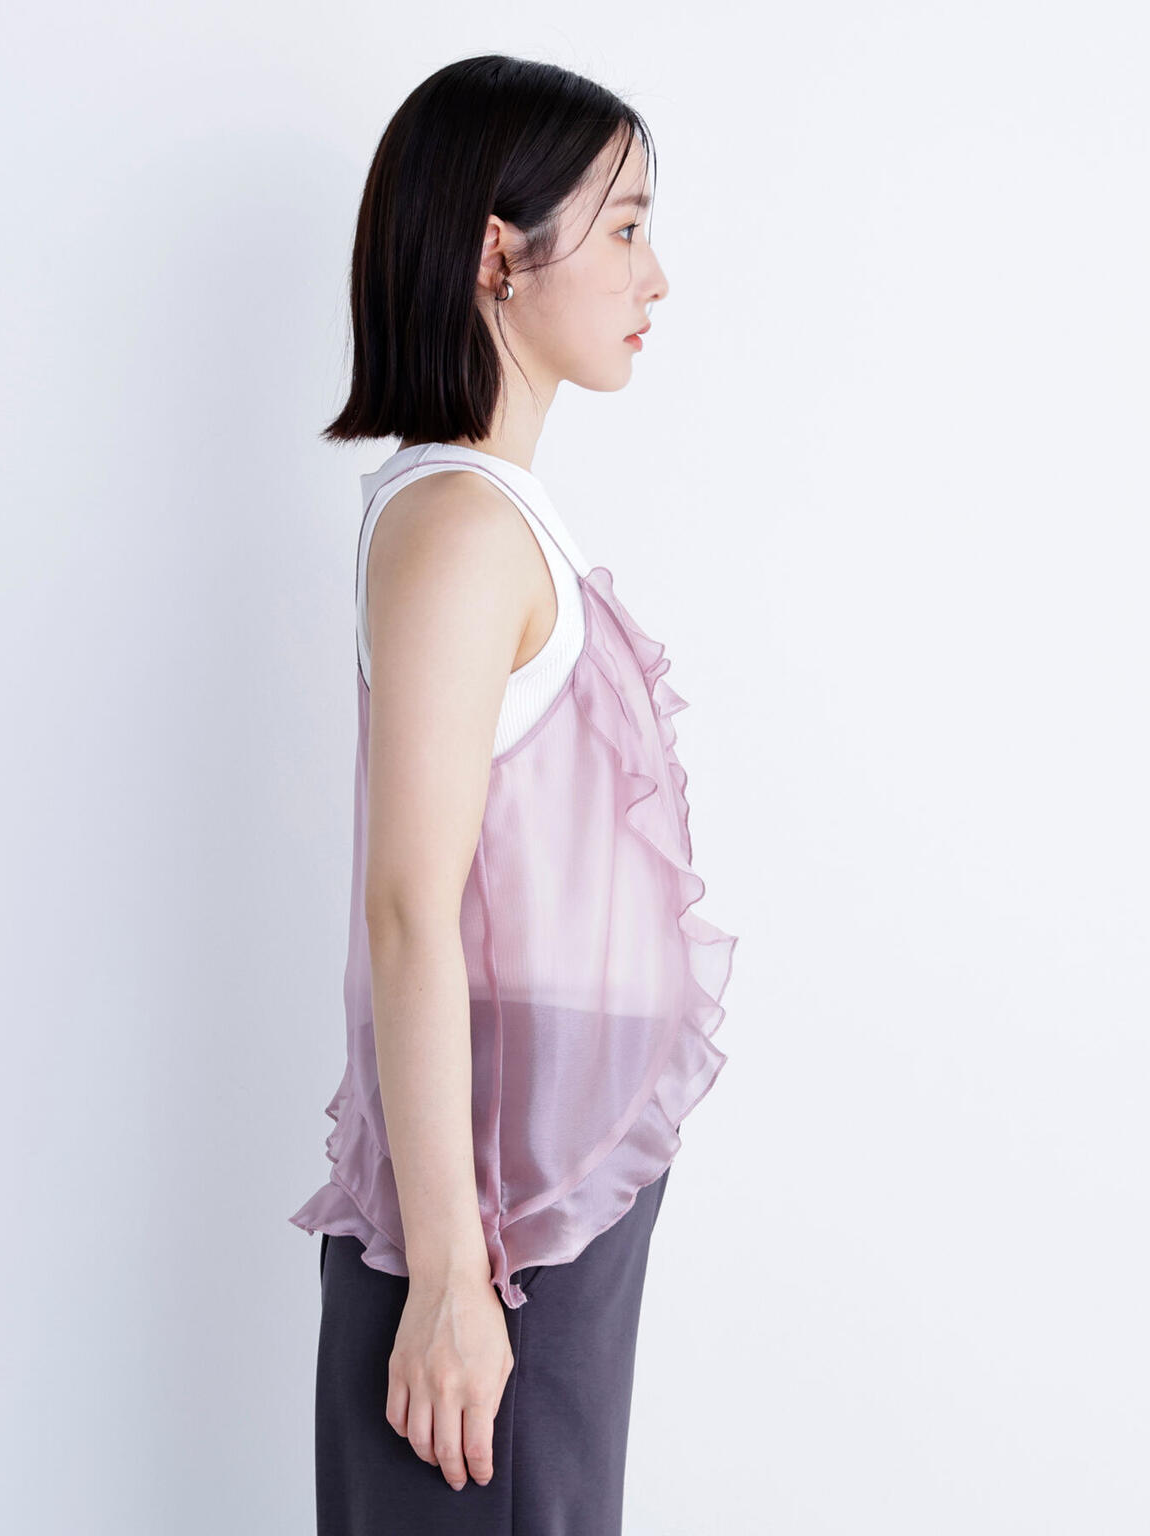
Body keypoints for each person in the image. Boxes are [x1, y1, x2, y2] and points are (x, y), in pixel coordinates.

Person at [289, 53, 738, 1534]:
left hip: (543, 1215)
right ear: (500, 253)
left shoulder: (492, 516)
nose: (655, 274)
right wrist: (446, 1279)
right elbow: (413, 909)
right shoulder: (458, 525)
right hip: (491, 1230)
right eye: (627, 226)